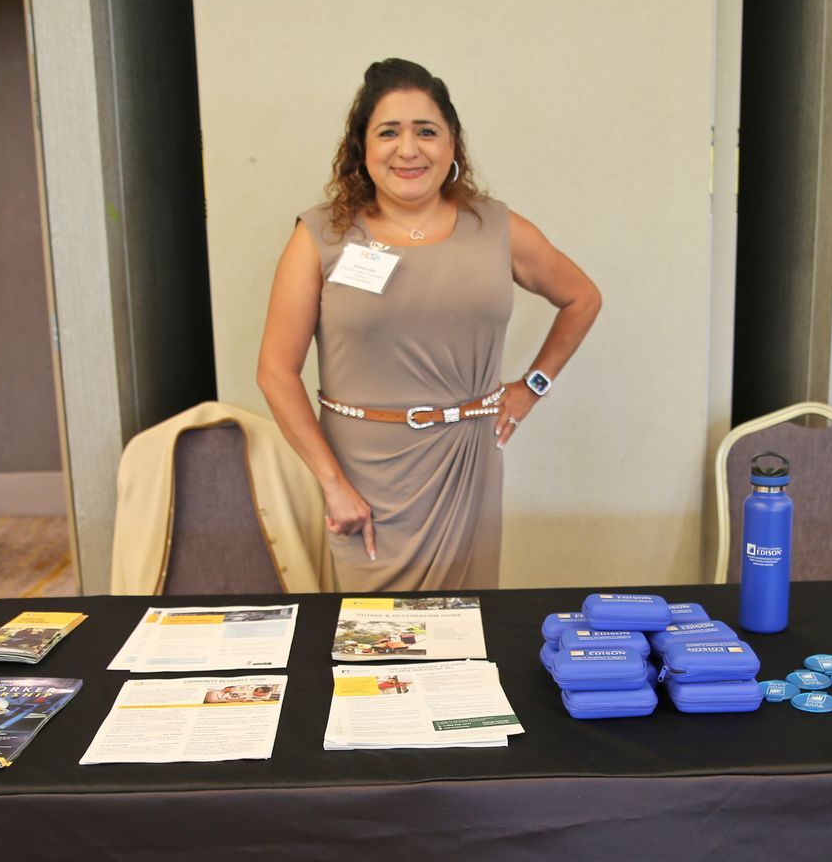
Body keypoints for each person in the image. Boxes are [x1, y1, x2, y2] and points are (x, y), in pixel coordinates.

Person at [256, 58, 601, 591]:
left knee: (465, 637)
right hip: (362, 478)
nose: (409, 149)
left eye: (426, 132)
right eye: (388, 132)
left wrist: (534, 385)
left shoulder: (496, 227)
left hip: (468, 466)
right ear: (362, 147)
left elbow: (582, 297)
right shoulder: (321, 235)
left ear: (452, 144)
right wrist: (332, 483)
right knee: (374, 649)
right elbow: (276, 371)